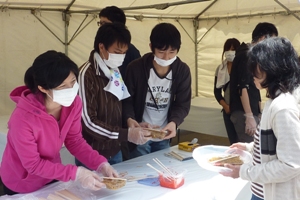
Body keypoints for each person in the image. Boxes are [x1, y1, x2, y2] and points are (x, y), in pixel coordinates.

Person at [0, 50, 118, 195]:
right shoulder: (22, 119)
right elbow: (33, 164)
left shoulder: (74, 103)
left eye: (73, 82)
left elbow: (74, 140)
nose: (70, 90)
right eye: (62, 86)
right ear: (43, 88)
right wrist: (77, 173)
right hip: (22, 182)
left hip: (52, 174)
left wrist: (100, 164)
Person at [220, 37, 300, 200]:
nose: (252, 73)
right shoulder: (275, 101)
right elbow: (277, 144)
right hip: (262, 189)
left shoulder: (283, 108)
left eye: (257, 67)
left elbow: (291, 164)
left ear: (273, 68)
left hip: (274, 193)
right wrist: (250, 147)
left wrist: (243, 171)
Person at [76, 23, 150, 167]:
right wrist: (126, 134)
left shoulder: (114, 71)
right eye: (117, 52)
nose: (121, 57)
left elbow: (119, 104)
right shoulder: (85, 75)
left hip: (115, 150)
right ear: (101, 47)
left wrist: (130, 121)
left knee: (118, 189)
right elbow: (88, 122)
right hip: (91, 153)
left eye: (124, 52)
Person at [123, 23, 191, 158]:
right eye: (161, 52)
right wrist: (129, 119)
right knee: (139, 169)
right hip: (141, 133)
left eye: (172, 52)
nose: (166, 57)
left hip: (164, 133)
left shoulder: (182, 70)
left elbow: (183, 103)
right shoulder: (136, 68)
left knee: (161, 169)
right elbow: (126, 100)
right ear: (151, 47)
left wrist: (174, 122)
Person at [229, 22, 278, 142]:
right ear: (262, 38)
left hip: (250, 110)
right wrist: (249, 116)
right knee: (250, 148)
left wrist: (259, 112)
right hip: (243, 112)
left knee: (254, 147)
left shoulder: (253, 56)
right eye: (272, 41)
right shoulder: (246, 55)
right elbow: (243, 87)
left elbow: (254, 87)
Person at [98, 5, 141, 77]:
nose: (101, 27)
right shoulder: (100, 47)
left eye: (105, 24)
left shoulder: (132, 51)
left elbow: (138, 77)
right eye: (100, 23)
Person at [214, 38, 241, 144]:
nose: (230, 52)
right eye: (227, 49)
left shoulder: (242, 68)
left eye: (233, 49)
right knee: (233, 141)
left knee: (243, 141)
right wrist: (225, 106)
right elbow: (216, 92)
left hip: (240, 110)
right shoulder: (220, 69)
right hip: (227, 110)